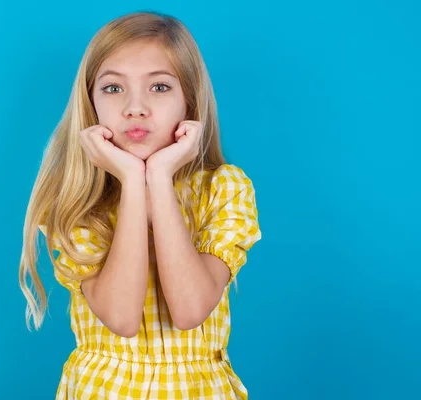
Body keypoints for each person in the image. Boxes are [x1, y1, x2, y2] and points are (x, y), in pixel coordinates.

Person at [19, 10, 262, 399]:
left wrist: (160, 177)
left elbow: (189, 309)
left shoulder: (224, 188)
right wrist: (133, 180)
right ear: (91, 102)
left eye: (160, 87)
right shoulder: (77, 202)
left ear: (190, 101)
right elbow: (121, 318)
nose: (136, 107)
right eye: (113, 89)